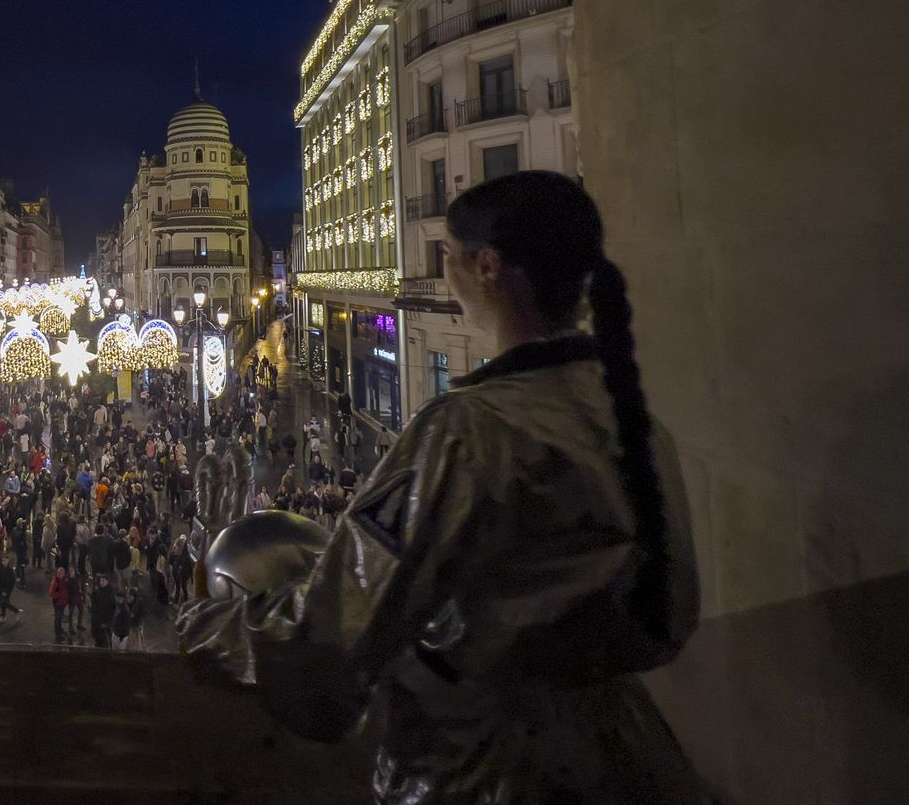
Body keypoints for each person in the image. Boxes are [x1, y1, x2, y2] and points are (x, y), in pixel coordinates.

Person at [177, 172, 702, 802]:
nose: (442, 270)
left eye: (444, 255)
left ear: (487, 268)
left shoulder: (466, 431)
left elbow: (338, 629)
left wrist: (208, 626)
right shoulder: (639, 424)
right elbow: (670, 609)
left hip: (485, 769)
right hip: (631, 756)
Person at [89, 575, 116, 649]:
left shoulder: (110, 593)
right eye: (101, 581)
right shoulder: (98, 591)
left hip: (104, 621)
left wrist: (107, 622)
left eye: (103, 581)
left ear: (107, 581)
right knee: (98, 639)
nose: (102, 582)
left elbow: (111, 609)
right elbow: (95, 604)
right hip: (97, 620)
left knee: (105, 640)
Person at [48, 566, 71, 644]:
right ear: (57, 574)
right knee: (57, 619)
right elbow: (51, 593)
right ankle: (58, 635)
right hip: (58, 603)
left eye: (62, 573)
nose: (61, 574)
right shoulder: (55, 582)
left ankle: (59, 630)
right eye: (60, 573)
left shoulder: (63, 580)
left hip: (62, 603)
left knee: (60, 617)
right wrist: (61, 594)